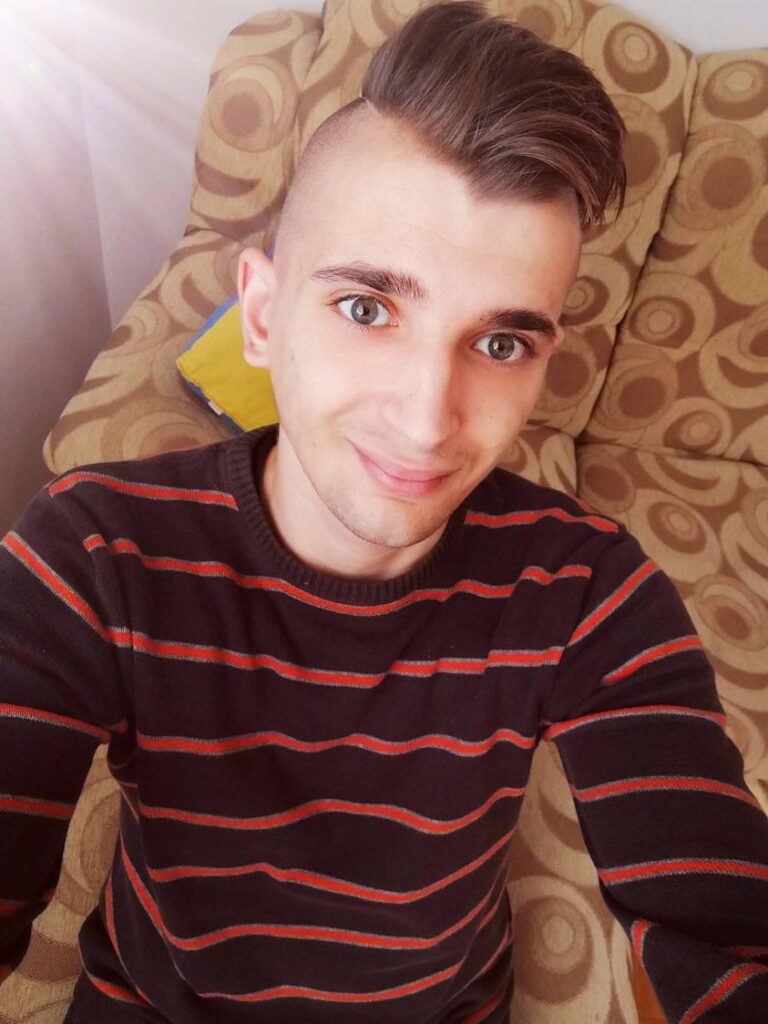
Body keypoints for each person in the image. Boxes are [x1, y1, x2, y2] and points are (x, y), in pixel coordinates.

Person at [1, 3, 767, 1022]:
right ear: (262, 317)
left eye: (500, 343)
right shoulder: (94, 554)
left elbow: (723, 919)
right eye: (367, 308)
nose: (426, 419)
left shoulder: (587, 590)